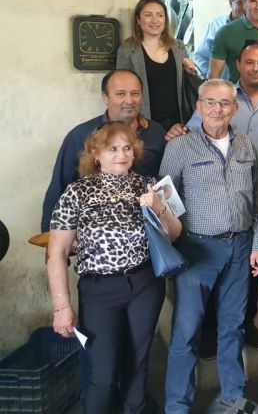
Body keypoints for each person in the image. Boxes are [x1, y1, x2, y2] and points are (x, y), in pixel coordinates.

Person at [48, 122, 181, 414]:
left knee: (138, 361)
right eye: (112, 149)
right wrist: (61, 307)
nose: (121, 154)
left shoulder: (148, 185)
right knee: (103, 373)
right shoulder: (77, 192)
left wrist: (158, 207)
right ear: (95, 154)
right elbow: (56, 253)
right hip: (99, 290)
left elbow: (174, 233)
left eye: (126, 148)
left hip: (145, 284)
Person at [177, 41, 258, 353]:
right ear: (238, 65)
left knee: (254, 262)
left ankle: (248, 322)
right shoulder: (222, 96)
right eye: (249, 62)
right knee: (216, 271)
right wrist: (174, 132)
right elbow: (192, 133)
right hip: (218, 197)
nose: (256, 68)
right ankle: (210, 330)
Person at [160, 79, 258, 412]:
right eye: (210, 102)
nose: (217, 109)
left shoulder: (246, 144)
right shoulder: (180, 147)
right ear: (198, 106)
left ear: (234, 108)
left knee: (233, 325)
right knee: (186, 331)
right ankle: (177, 405)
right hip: (197, 250)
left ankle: (234, 396)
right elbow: (164, 201)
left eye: (224, 103)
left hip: (240, 246)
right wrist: (175, 244)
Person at [41, 69, 166, 232]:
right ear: (105, 98)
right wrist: (49, 237)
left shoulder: (156, 132)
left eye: (135, 93)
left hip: (148, 232)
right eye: (120, 94)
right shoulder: (80, 135)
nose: (129, 100)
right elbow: (59, 187)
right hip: (96, 236)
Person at [116, 0, 197, 130]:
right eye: (148, 15)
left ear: (165, 20)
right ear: (138, 20)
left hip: (179, 122)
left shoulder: (178, 47)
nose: (155, 20)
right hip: (144, 122)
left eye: (160, 15)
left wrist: (190, 71)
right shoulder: (127, 50)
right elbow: (120, 88)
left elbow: (188, 84)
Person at [193, 0, 245, 79]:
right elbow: (201, 56)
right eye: (239, 3)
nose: (244, 7)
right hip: (220, 86)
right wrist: (209, 80)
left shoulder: (256, 27)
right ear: (230, 3)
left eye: (247, 2)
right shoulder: (215, 25)